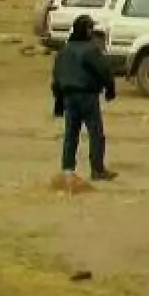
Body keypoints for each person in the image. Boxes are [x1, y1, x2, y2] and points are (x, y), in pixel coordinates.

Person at [51, 15, 118, 183]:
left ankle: (67, 169)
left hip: (68, 97)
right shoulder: (90, 49)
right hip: (87, 96)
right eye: (90, 28)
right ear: (85, 30)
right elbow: (104, 71)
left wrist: (58, 102)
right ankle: (97, 170)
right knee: (96, 134)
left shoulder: (64, 50)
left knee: (71, 135)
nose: (91, 32)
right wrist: (110, 89)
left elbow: (57, 77)